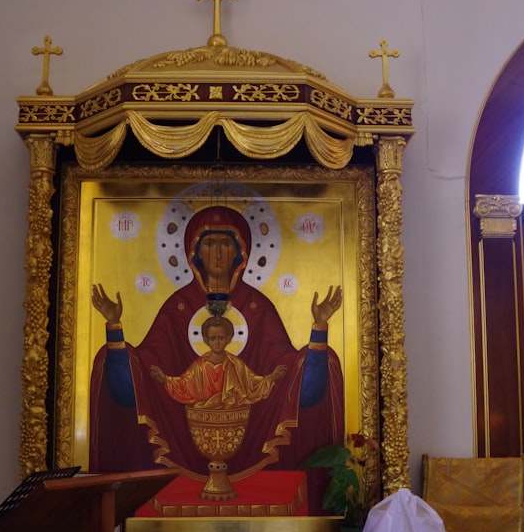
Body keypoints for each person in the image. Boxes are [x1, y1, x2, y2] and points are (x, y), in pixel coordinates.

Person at [89, 205, 345, 509]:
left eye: (226, 243)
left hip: (248, 435)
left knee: (321, 358)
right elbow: (133, 384)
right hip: (188, 436)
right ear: (194, 253)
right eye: (210, 243)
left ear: (241, 253)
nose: (219, 253)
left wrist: (319, 329)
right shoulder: (177, 308)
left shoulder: (257, 308)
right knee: (112, 356)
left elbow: (299, 385)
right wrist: (114, 329)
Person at [150, 315, 287, 409]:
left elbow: (251, 383)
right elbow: (184, 385)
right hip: (203, 417)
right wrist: (165, 379)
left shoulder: (235, 364)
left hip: (232, 417)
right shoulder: (199, 366)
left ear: (228, 339)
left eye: (221, 337)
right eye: (213, 338)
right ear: (206, 340)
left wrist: (272, 377)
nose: (217, 342)